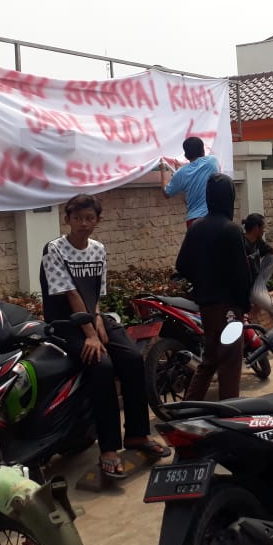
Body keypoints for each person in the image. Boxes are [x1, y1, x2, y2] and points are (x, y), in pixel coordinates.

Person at [40, 194, 169, 481]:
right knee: (102, 366)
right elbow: (71, 293)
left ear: (98, 220)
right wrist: (90, 333)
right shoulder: (54, 250)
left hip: (91, 319)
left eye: (90, 219)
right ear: (67, 219)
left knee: (134, 359)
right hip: (65, 325)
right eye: (77, 218)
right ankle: (108, 448)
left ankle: (137, 434)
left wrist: (97, 319)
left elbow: (93, 295)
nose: (84, 224)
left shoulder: (98, 249)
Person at [176, 174, 254, 401]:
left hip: (206, 307)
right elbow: (242, 274)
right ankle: (229, 415)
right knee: (230, 362)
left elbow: (181, 264)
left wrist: (203, 279)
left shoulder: (197, 228)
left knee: (209, 360)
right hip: (229, 307)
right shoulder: (231, 230)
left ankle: (188, 409)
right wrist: (244, 305)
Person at [161, 136, 219, 227]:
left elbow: (166, 193)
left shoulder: (181, 173)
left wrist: (163, 171)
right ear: (203, 151)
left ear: (186, 155)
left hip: (195, 221)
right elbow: (196, 170)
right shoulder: (212, 161)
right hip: (215, 218)